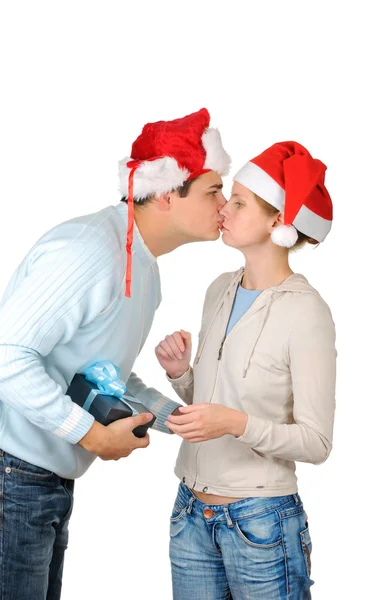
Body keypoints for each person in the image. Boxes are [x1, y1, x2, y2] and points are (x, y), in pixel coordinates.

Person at [0, 107, 231, 599]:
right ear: (168, 193)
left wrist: (184, 420)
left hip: (40, 485)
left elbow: (103, 378)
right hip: (11, 478)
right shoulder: (91, 250)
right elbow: (7, 354)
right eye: (215, 190)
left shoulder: (142, 267)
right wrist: (90, 435)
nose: (225, 204)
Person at [156, 141, 336, 599]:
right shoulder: (219, 289)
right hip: (190, 513)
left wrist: (235, 425)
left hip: (262, 524)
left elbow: (316, 442)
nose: (223, 210)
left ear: (278, 221)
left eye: (238, 203)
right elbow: (213, 403)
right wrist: (181, 375)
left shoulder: (307, 312)